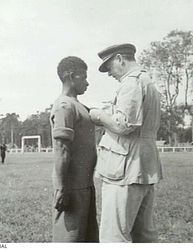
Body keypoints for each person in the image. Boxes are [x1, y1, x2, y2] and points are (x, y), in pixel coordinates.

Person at [89, 43, 163, 243]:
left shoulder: (131, 83)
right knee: (143, 235)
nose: (109, 73)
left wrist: (98, 115)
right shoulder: (147, 81)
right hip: (142, 165)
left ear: (120, 59)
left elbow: (124, 126)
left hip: (125, 167)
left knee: (114, 236)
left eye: (109, 67)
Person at [49, 56, 99, 242]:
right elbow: (62, 149)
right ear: (70, 76)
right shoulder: (64, 106)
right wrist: (61, 189)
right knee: (69, 239)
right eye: (83, 77)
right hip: (71, 187)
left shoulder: (79, 106)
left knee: (88, 238)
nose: (87, 82)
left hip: (85, 185)